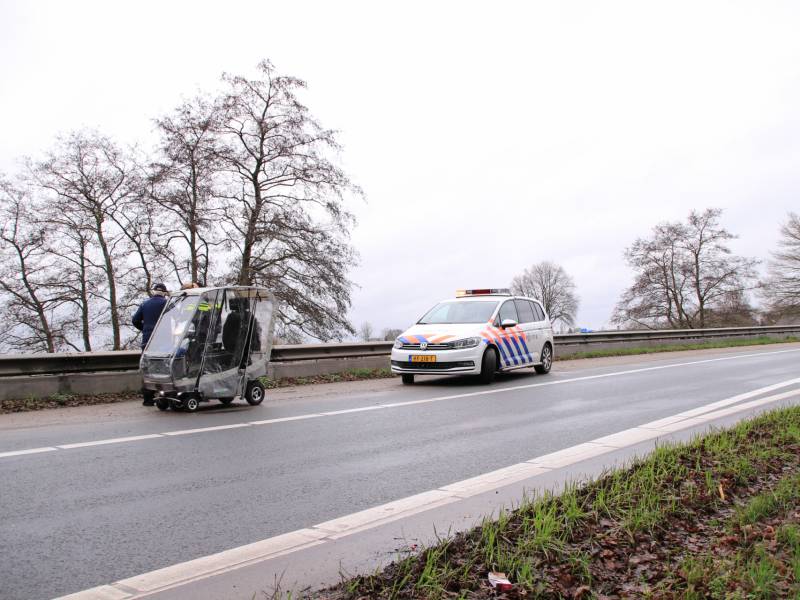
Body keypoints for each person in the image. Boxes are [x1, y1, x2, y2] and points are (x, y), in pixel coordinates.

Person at [133, 283, 169, 406]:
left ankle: (148, 398)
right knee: (164, 368)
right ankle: (165, 395)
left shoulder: (145, 304)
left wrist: (144, 329)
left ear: (154, 292)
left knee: (148, 368)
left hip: (147, 340)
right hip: (163, 340)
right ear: (164, 292)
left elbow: (135, 320)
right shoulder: (166, 303)